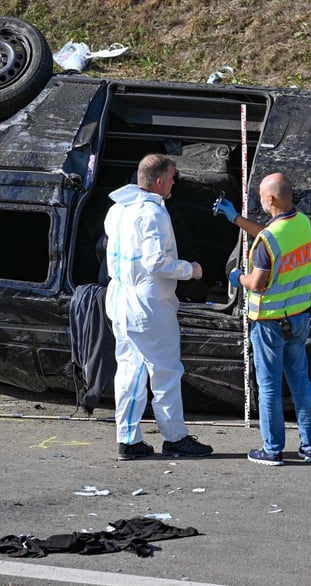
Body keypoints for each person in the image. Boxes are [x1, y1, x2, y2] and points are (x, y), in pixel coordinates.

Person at [104, 154, 213, 461]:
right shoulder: (153, 213)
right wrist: (190, 269)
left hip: (120, 298)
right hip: (149, 304)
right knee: (165, 371)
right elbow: (155, 263)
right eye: (173, 177)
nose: (175, 182)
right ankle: (175, 437)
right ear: (161, 181)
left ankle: (128, 439)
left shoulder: (118, 209)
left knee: (129, 369)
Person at [213, 173, 311, 466]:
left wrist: (238, 278)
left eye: (261, 195)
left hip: (269, 323)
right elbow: (271, 234)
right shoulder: (302, 223)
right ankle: (310, 448)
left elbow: (258, 281)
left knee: (270, 385)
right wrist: (236, 219)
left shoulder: (267, 242)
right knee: (300, 382)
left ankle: (272, 450)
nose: (260, 199)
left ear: (270, 199)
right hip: (298, 319)